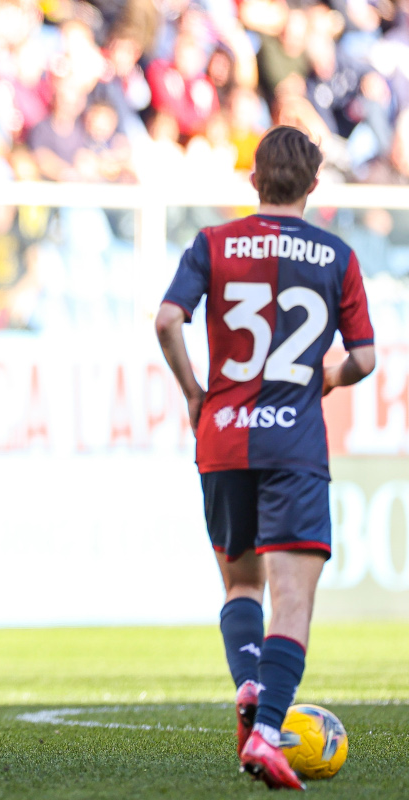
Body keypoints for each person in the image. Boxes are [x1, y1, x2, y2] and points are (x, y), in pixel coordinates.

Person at [155, 125, 376, 790]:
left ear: (253, 181)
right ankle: (266, 730)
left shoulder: (213, 242)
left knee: (242, 586)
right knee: (293, 600)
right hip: (295, 442)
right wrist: (327, 379)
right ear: (314, 186)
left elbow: (167, 319)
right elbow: (364, 358)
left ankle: (250, 686)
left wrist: (196, 392)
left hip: (223, 434)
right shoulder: (336, 254)